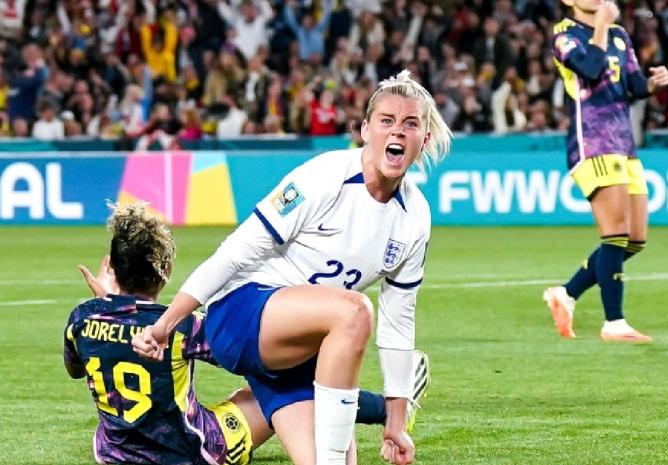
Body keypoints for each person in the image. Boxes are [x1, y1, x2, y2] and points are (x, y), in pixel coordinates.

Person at [132, 70, 451, 465]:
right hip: (240, 313)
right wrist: (167, 323)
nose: (397, 132)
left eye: (410, 124)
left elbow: (399, 322)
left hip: (302, 354)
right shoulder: (325, 177)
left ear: (425, 138)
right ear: (365, 130)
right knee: (353, 310)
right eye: (386, 121)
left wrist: (397, 422)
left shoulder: (415, 216)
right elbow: (236, 252)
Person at [65, 203, 433, 465]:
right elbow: (247, 354)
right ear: (166, 273)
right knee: (277, 384)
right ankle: (388, 408)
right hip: (196, 452)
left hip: (115, 455)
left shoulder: (80, 321)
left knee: (262, 387)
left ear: (110, 266)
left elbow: (77, 367)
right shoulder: (181, 328)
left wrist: (107, 305)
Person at [543, 0, 668, 343]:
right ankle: (614, 322)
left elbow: (633, 85)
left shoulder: (619, 35)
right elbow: (592, 69)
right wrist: (601, 24)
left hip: (625, 142)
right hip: (592, 142)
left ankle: (565, 294)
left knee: (635, 239)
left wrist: (653, 83)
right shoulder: (563, 36)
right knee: (615, 233)